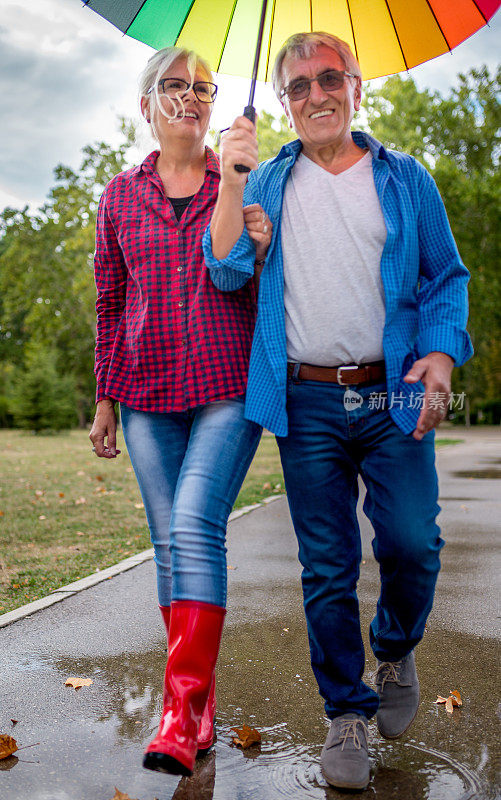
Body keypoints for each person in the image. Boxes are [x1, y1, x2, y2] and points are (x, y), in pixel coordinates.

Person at [204, 31, 472, 792]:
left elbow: (444, 278)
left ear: (357, 88)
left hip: (391, 389)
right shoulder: (265, 179)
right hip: (305, 395)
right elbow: (222, 270)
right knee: (326, 567)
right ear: (283, 101)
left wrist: (441, 357)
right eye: (297, 86)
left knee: (412, 543)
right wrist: (230, 180)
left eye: (329, 79)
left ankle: (393, 648)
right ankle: (343, 711)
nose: (314, 95)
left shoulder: (405, 178)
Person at [89, 46, 271, 777]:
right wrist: (104, 396)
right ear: (147, 106)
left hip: (226, 384)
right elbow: (109, 300)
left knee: (195, 524)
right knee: (170, 542)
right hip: (144, 396)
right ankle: (196, 713)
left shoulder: (243, 185)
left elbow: (256, 286)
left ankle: (176, 710)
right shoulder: (118, 195)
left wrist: (251, 218)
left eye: (203, 88)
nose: (191, 98)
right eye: (175, 86)